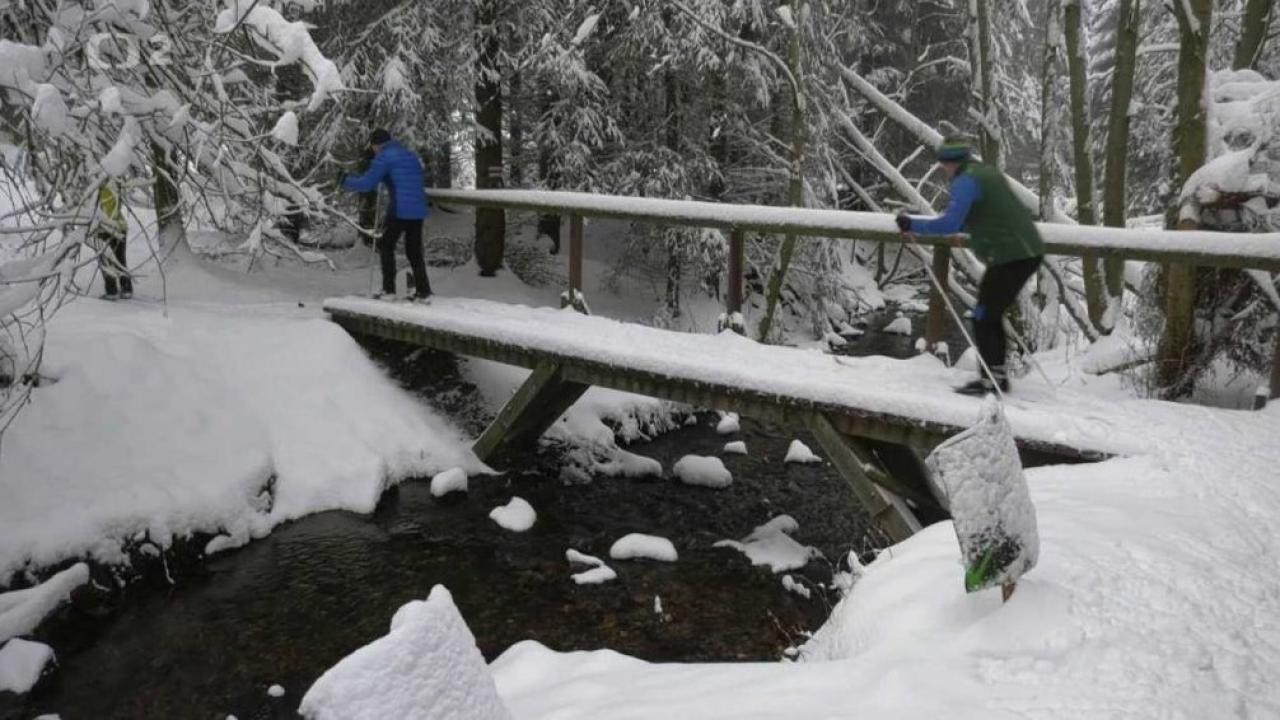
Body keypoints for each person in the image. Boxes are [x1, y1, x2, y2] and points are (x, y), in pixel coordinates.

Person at [896, 138, 1044, 396]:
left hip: (1012, 255)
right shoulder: (984, 173)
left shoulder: (966, 180)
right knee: (989, 315)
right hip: (1022, 251)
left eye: (943, 163)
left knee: (984, 316)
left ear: (952, 161)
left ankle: (991, 382)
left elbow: (950, 223)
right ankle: (995, 379)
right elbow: (987, 215)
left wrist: (912, 224)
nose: (942, 168)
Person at [340, 128, 432, 302]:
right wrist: (387, 179)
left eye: (373, 146)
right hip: (418, 208)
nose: (373, 150)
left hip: (400, 209)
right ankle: (424, 291)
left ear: (376, 145)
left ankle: (388, 290)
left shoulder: (384, 156)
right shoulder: (408, 154)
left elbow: (367, 184)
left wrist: (344, 181)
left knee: (385, 245)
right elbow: (408, 177)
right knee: (414, 251)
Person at [96, 180, 132, 300]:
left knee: (106, 259)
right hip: (120, 227)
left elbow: (104, 212)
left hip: (105, 228)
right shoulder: (114, 185)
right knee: (120, 259)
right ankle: (126, 288)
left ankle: (111, 291)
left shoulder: (100, 190)